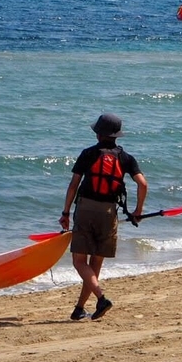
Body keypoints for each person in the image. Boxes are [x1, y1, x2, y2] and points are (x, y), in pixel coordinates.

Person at [59, 113, 147, 320]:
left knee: (79, 262)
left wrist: (65, 213)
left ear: (98, 134)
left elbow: (73, 185)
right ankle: (80, 309)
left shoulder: (88, 154)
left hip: (86, 209)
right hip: (109, 213)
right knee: (95, 263)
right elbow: (143, 184)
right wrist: (138, 211)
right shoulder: (126, 158)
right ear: (117, 136)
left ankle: (101, 298)